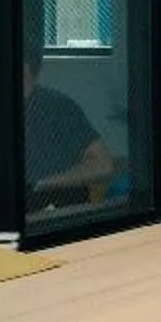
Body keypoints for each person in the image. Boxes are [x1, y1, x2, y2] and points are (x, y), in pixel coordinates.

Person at [23, 45, 117, 208]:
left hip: (53, 206)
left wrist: (43, 184)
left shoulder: (58, 108)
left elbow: (103, 164)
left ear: (30, 72)